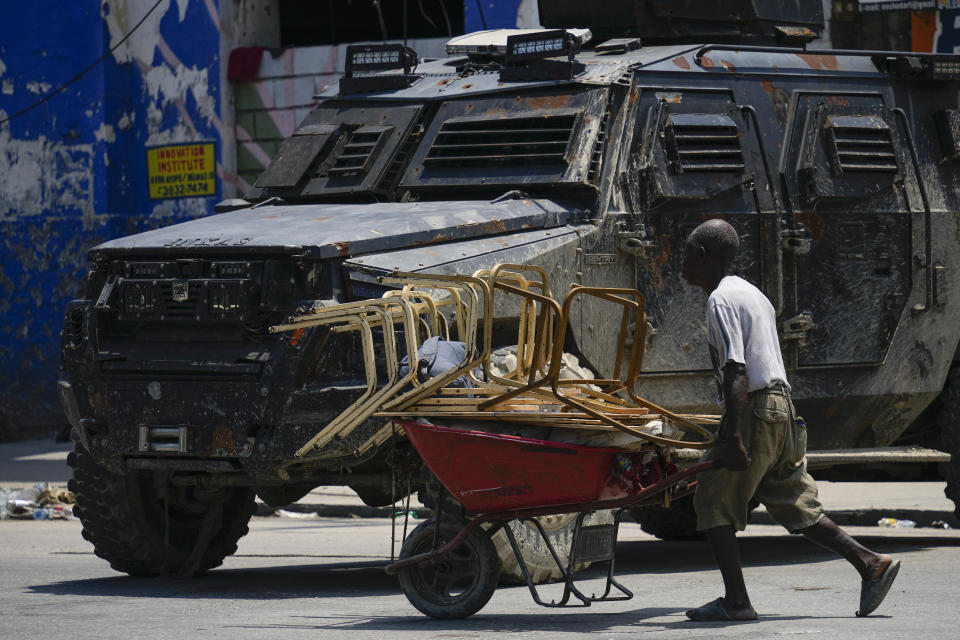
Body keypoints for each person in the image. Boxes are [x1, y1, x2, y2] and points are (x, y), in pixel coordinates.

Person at [680, 218, 900, 622]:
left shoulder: (721, 299)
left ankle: (737, 602)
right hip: (782, 409)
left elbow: (735, 369)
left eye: (686, 251)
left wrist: (732, 435)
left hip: (757, 409)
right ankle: (871, 564)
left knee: (712, 498)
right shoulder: (753, 294)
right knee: (791, 500)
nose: (681, 259)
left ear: (702, 255)